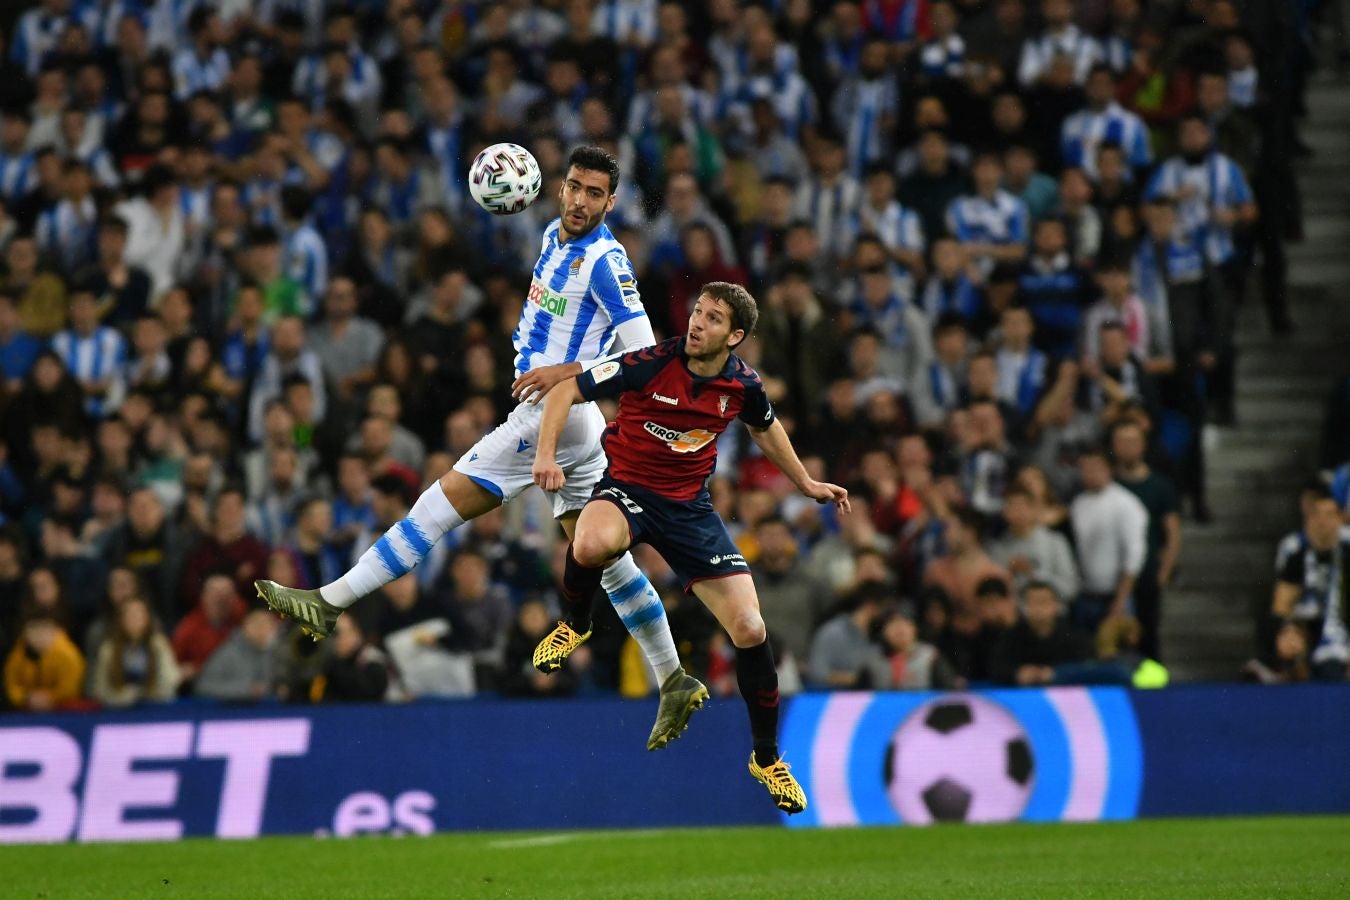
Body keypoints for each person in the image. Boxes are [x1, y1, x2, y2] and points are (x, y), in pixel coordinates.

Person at [253, 147, 692, 749]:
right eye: (575, 188)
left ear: (611, 203)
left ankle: (328, 602)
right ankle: (672, 678)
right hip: (573, 425)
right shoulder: (549, 237)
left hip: (555, 417)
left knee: (434, 507)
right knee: (604, 560)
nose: (581, 201)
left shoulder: (605, 262)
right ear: (558, 188)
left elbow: (645, 356)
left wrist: (564, 372)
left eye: (596, 194)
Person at [530, 281, 850, 814]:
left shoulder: (743, 385)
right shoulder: (652, 362)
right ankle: (575, 622)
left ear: (736, 335)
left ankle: (767, 759)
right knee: (591, 540)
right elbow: (568, 390)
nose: (697, 322)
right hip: (628, 489)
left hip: (690, 512)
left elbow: (766, 429)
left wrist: (805, 484)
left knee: (750, 629)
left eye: (713, 318)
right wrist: (547, 456)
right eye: (698, 311)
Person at [89, 596, 180, 707]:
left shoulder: (159, 645)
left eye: (139, 615)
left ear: (147, 618)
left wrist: (150, 695)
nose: (135, 619)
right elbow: (100, 689)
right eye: (130, 615)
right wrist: (120, 697)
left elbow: (170, 680)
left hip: (154, 708)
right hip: (118, 711)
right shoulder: (109, 649)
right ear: (121, 620)